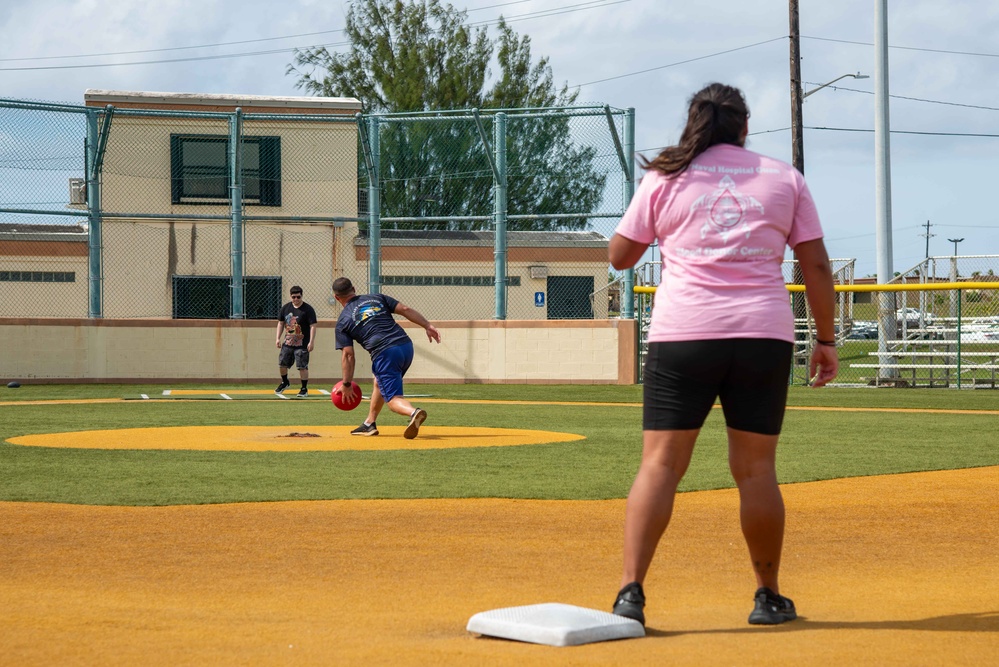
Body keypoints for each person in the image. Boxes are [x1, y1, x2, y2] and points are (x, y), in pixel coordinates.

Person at [608, 83, 838, 628]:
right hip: (763, 335)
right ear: (745, 124)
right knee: (756, 470)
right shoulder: (784, 178)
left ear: (695, 122)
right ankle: (768, 596)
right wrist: (825, 340)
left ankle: (630, 594)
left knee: (660, 465)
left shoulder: (665, 175)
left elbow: (620, 256)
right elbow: (818, 268)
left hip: (684, 331)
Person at [331, 277, 441, 439]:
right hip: (405, 346)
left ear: (336, 297)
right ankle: (369, 424)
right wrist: (427, 325)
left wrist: (347, 384)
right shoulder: (376, 297)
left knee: (393, 400)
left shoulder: (343, 321)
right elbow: (405, 308)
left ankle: (414, 412)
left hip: (385, 353)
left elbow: (348, 355)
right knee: (378, 381)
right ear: (354, 288)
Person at [275, 286, 319, 398]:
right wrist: (277, 338)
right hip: (288, 342)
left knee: (302, 366)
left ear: (301, 295)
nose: (296, 299)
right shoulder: (286, 308)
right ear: (290, 296)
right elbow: (280, 323)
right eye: (293, 297)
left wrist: (311, 341)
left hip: (302, 344)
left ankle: (304, 388)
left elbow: (313, 326)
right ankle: (285, 382)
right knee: (282, 364)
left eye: (298, 297)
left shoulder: (308, 309)